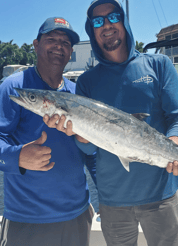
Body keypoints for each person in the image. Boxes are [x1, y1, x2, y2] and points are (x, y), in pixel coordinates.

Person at [44, 1, 178, 245]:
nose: (106, 25)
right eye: (97, 21)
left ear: (124, 21)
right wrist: (80, 134)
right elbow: (89, 149)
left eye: (113, 17)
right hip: (113, 199)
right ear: (91, 30)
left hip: (161, 193)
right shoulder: (87, 82)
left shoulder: (158, 65)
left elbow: (177, 118)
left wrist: (175, 144)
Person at [0, 17, 96, 246]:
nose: (58, 46)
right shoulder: (14, 87)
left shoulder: (78, 93)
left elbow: (91, 152)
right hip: (28, 219)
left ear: (70, 51)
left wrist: (104, 197)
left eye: (65, 42)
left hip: (77, 213)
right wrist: (17, 157)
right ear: (36, 45)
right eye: (51, 39)